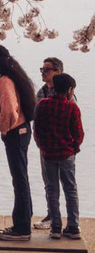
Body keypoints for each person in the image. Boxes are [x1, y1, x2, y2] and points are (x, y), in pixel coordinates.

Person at [0, 44, 37, 241]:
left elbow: (9, 109)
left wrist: (5, 130)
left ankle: (22, 227)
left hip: (15, 132)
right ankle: (25, 219)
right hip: (24, 129)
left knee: (18, 178)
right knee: (22, 176)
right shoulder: (17, 76)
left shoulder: (5, 80)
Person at [33, 73, 84, 240]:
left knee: (51, 189)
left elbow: (37, 130)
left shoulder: (42, 105)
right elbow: (78, 134)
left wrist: (42, 147)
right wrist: (74, 148)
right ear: (69, 90)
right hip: (66, 154)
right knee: (70, 189)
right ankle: (73, 227)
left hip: (48, 154)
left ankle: (55, 227)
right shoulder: (72, 108)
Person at [33, 56, 64, 231]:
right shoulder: (41, 92)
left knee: (68, 184)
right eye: (42, 69)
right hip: (46, 145)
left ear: (58, 72)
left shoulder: (66, 92)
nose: (43, 73)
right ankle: (52, 215)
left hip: (63, 146)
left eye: (47, 70)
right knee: (49, 183)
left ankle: (71, 222)